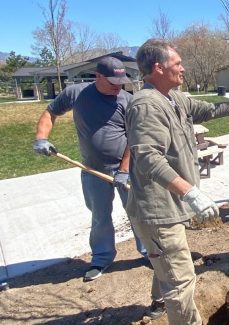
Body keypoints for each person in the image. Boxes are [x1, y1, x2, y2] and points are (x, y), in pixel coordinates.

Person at [126, 38, 229, 324]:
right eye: (177, 63)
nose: (183, 68)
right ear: (158, 68)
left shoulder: (174, 97)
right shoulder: (146, 105)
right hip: (158, 212)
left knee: (167, 263)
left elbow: (209, 111)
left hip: (171, 208)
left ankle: (157, 304)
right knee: (181, 281)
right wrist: (189, 192)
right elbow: (147, 158)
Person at [32, 57, 147, 282]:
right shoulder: (76, 94)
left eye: (121, 80)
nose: (118, 85)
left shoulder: (127, 101)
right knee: (100, 216)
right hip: (92, 169)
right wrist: (41, 138)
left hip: (127, 169)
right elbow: (50, 113)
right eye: (113, 80)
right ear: (98, 76)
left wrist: (124, 170)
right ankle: (102, 258)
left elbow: (135, 138)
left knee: (137, 213)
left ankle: (149, 252)